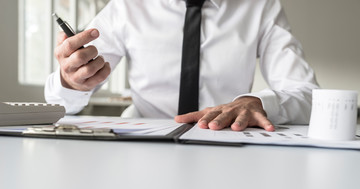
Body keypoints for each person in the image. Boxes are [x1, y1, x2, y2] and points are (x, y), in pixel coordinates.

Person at [45, 0, 319, 132]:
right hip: (141, 147)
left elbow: (307, 95)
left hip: (228, 144)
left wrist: (257, 102)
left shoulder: (260, 6)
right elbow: (60, 105)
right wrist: (71, 82)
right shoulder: (126, 7)